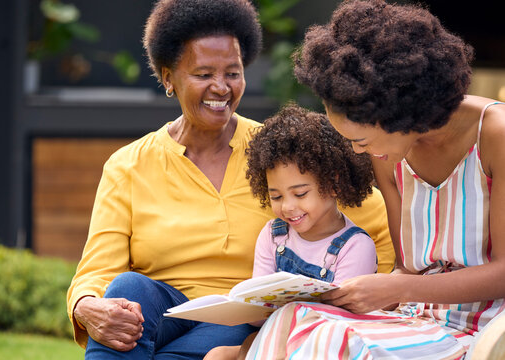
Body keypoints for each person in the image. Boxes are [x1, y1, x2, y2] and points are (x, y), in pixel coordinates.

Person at [66, 0, 394, 359]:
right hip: (163, 310)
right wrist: (85, 305)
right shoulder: (128, 165)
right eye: (204, 75)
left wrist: (382, 295)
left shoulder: (281, 155)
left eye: (232, 73)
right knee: (127, 289)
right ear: (168, 77)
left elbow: (378, 222)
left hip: (240, 317)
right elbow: (98, 270)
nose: (221, 88)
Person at [245, 0, 505, 359]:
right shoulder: (389, 153)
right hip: (415, 320)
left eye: (360, 140)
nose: (355, 152)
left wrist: (394, 288)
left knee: (333, 341)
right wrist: (367, 293)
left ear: (400, 113)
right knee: (291, 317)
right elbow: (407, 268)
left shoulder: (496, 136)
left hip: (484, 329)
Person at [205, 104, 379, 360]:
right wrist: (243, 307)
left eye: (300, 194)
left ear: (333, 184)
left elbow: (342, 322)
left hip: (322, 346)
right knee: (217, 354)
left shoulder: (356, 246)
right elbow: (256, 318)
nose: (287, 207)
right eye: (276, 196)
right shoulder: (274, 236)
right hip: (272, 336)